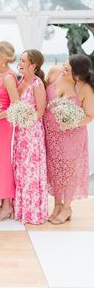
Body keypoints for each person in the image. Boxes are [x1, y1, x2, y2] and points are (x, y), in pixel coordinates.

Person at [44, 54, 94, 224]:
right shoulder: (54, 72)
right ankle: (57, 205)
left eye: (68, 70)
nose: (63, 71)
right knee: (55, 169)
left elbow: (89, 116)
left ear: (78, 75)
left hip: (72, 136)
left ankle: (67, 207)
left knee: (69, 171)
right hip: (50, 134)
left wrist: (70, 123)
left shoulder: (85, 88)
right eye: (64, 66)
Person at [12, 49, 48, 224]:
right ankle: (21, 209)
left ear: (33, 65)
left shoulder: (37, 83)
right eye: (20, 59)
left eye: (23, 60)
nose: (20, 62)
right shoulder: (21, 81)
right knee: (21, 171)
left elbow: (40, 111)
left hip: (32, 134)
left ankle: (33, 213)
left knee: (31, 172)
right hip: (20, 134)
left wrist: (25, 121)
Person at [0, 41, 19, 221]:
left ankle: (7, 205)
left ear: (3, 57)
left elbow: (15, 106)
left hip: (3, 126)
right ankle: (2, 202)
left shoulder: (8, 77)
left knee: (2, 165)